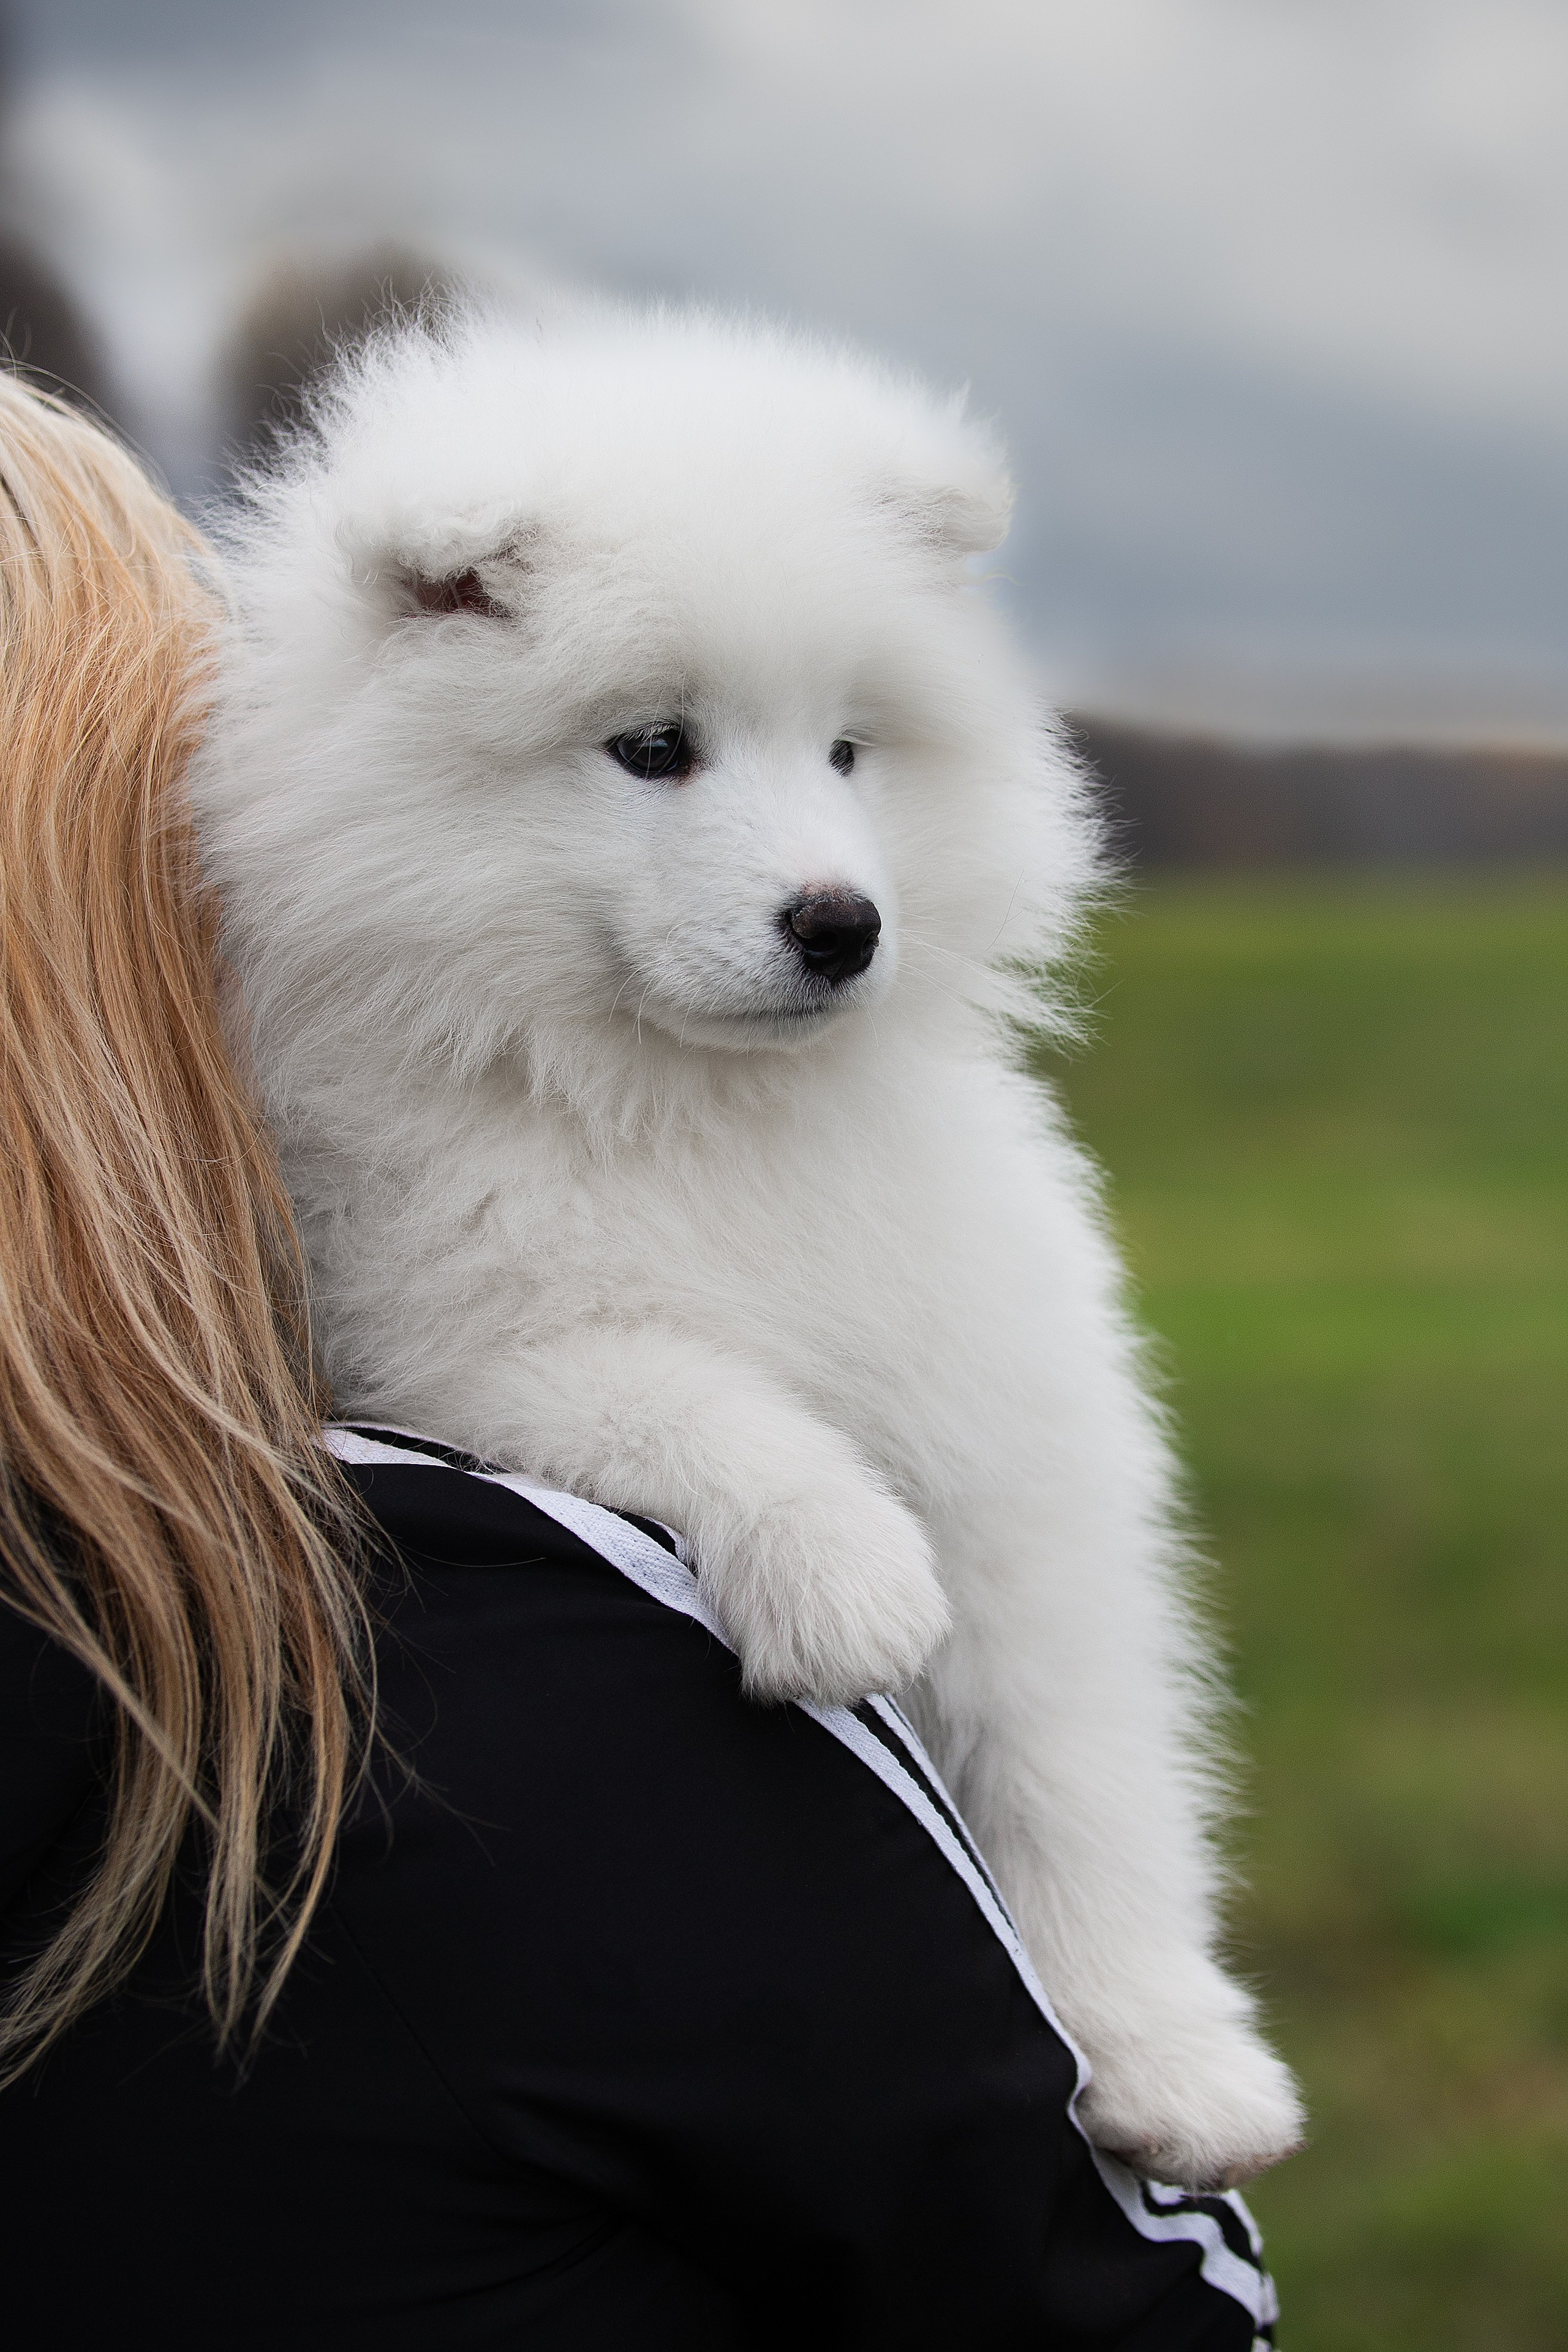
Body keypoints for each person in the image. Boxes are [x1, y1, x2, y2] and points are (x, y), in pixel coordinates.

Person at [0, 372, 1278, 2349]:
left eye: (850, 747)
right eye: (660, 748)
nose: (821, 862)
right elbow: (477, 1333)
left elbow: (1045, 1569)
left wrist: (1129, 1983)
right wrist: (737, 1469)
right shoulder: (501, 1658)